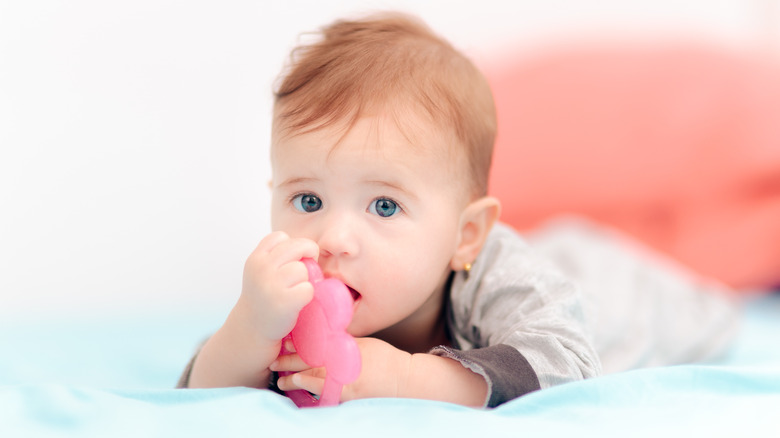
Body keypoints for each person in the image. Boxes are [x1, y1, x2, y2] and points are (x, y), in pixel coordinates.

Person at [177, 12, 737, 408]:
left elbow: (566, 365)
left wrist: (405, 375)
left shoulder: (500, 278)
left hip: (611, 289)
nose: (333, 237)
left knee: (693, 305)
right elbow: (198, 392)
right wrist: (249, 328)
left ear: (464, 234)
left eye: (384, 205)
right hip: (552, 258)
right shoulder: (291, 292)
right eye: (308, 200)